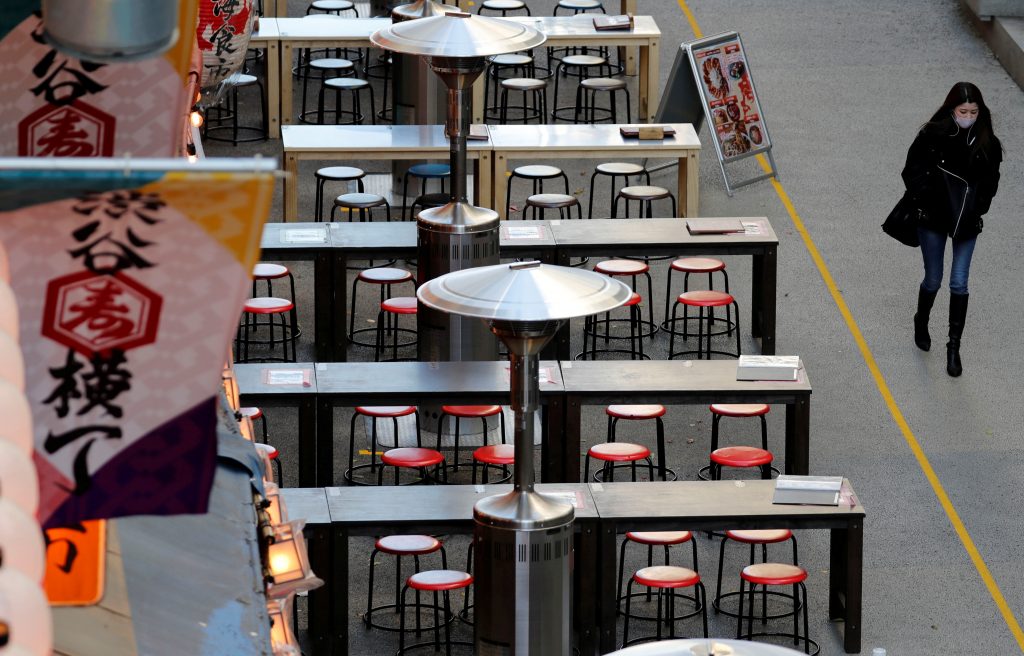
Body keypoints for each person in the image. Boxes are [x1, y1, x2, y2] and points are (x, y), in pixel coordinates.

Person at [901, 82, 1002, 377]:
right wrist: (927, 196)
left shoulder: (987, 143)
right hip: (933, 217)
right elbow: (912, 170)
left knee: (959, 283)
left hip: (967, 221)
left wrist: (978, 207)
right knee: (933, 279)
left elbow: (991, 181)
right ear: (952, 109)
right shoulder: (933, 134)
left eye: (973, 111)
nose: (968, 115)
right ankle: (922, 318)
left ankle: (953, 347)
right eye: (963, 110)